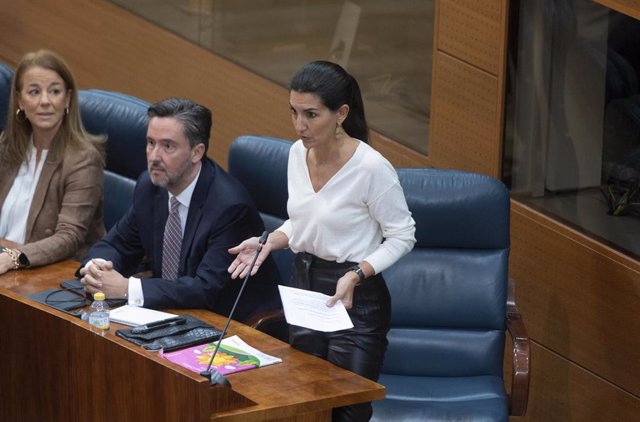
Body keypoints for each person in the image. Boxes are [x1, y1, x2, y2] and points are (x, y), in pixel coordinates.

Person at [228, 61, 416, 421]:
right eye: (294, 113)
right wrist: (271, 241)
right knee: (306, 403)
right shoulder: (297, 154)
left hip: (354, 300)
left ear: (341, 113)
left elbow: (403, 235)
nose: (300, 126)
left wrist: (357, 274)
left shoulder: (372, 169)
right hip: (306, 290)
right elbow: (303, 223)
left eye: (312, 114)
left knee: (347, 410)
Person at [79, 98, 281, 322]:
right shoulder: (150, 186)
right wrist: (96, 270)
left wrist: (128, 288)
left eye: (168, 146)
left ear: (196, 152)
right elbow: (117, 244)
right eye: (150, 143)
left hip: (229, 324)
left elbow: (205, 288)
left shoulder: (230, 207)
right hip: (171, 311)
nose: (154, 156)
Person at [0, 50, 105, 275]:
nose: (45, 101)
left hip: (49, 276)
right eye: (34, 92)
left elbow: (69, 237)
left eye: (54, 91)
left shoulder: (84, 159)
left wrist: (12, 258)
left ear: (67, 98)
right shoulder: (7, 146)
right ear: (20, 99)